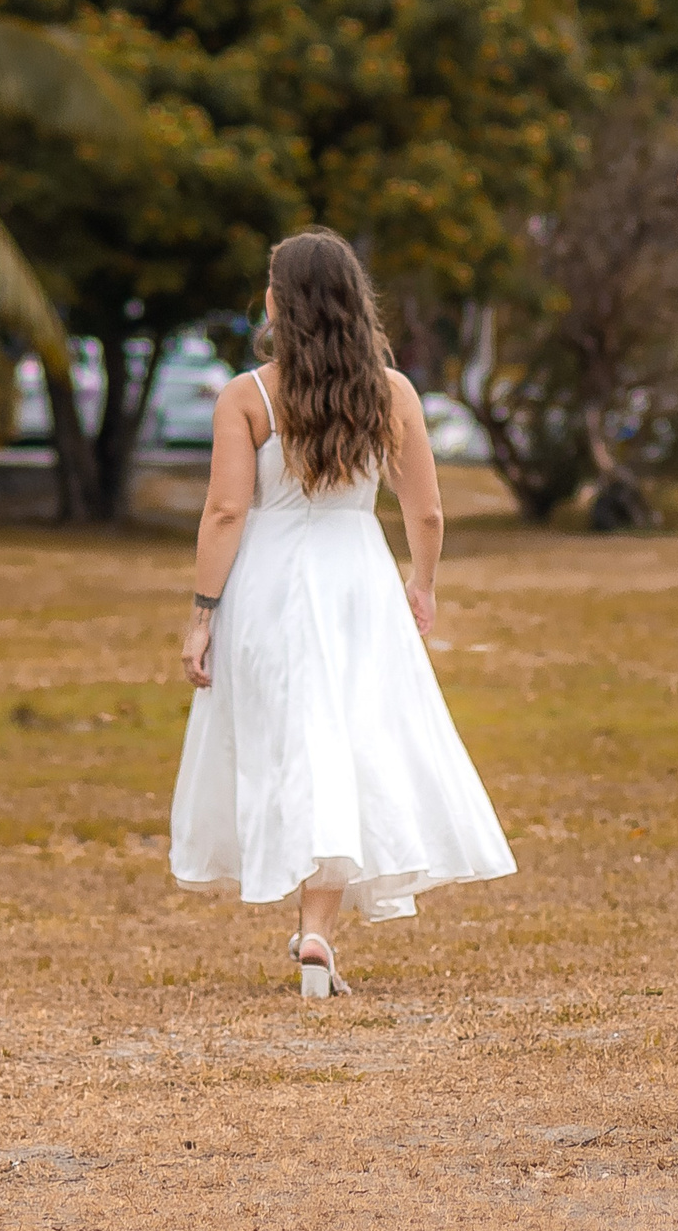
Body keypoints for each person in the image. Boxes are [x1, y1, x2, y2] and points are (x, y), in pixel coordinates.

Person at [169, 229, 515, 996]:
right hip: (357, 577)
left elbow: (227, 511)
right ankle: (316, 927)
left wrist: (202, 613)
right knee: (343, 741)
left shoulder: (247, 396)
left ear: (276, 302)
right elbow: (424, 511)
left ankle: (314, 928)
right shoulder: (391, 392)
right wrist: (421, 584)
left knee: (298, 742)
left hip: (270, 584)